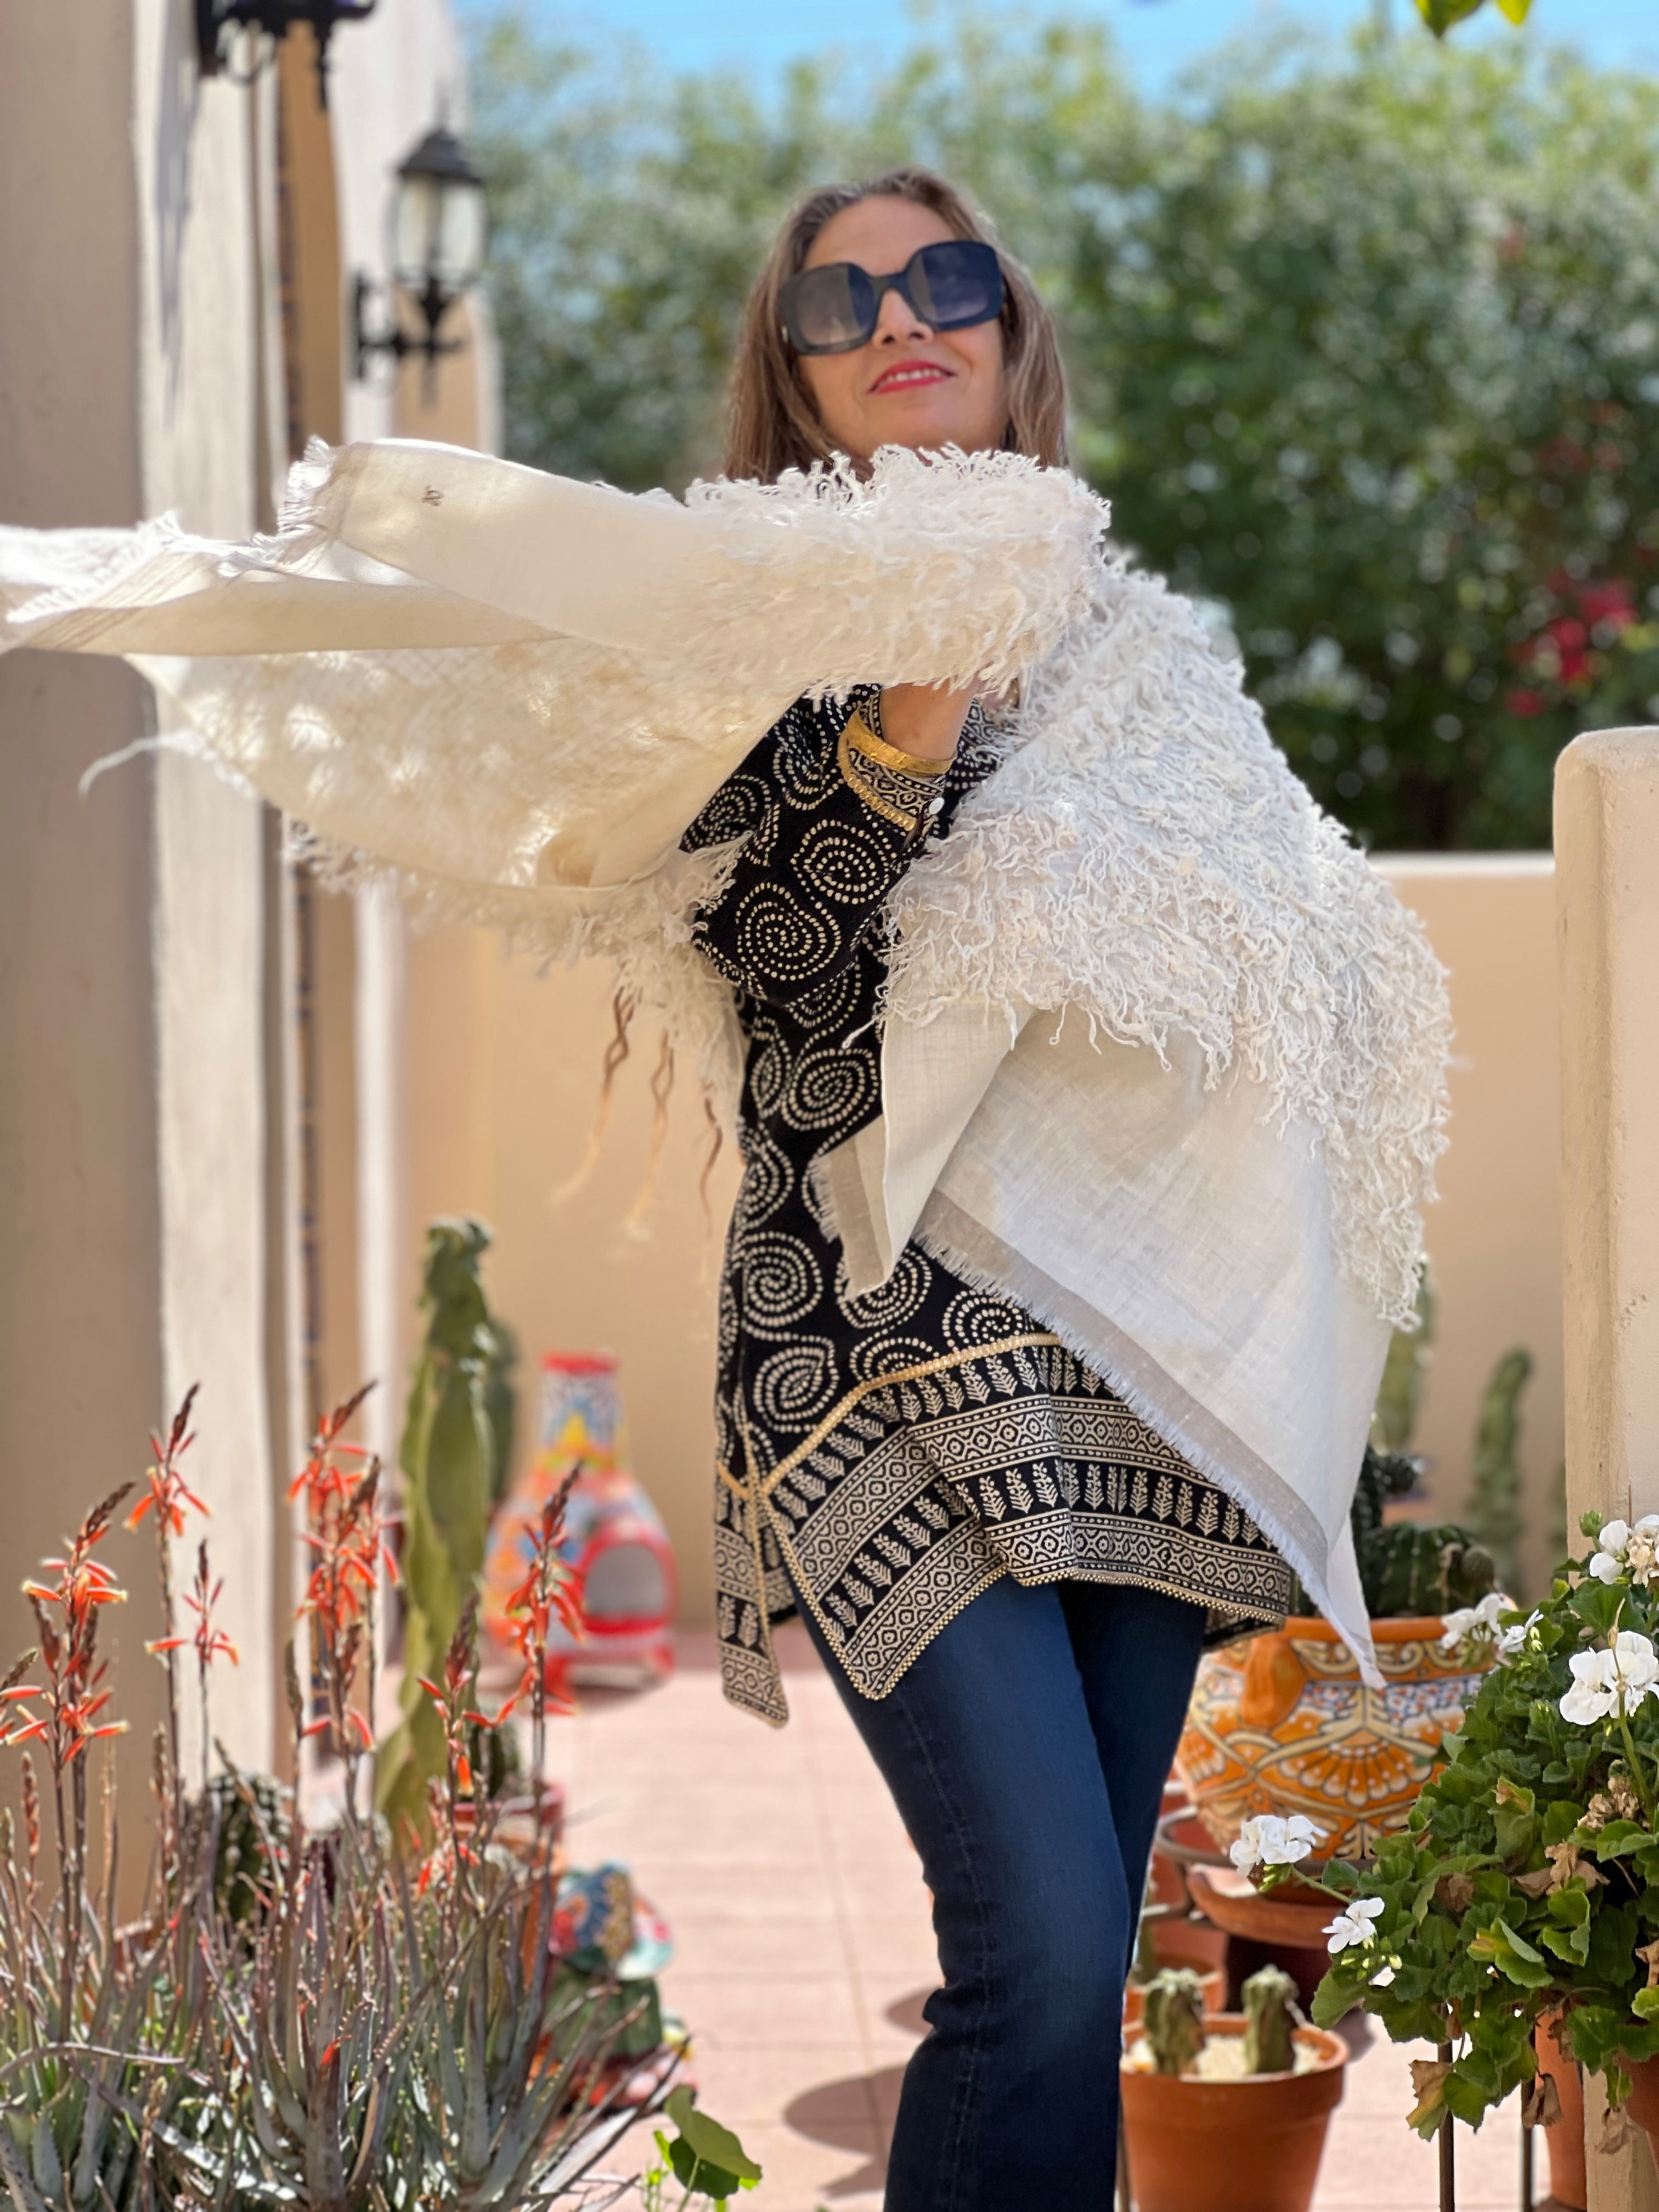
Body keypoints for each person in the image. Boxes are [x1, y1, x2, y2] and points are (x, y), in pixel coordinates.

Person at [681, 166, 1293, 2210]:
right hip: (873, 1376)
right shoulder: (751, 619)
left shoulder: (1146, 656)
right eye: (840, 301)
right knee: (1030, 1963)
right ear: (798, 376)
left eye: (948, 279)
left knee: (1082, 1966)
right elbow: (778, 970)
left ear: (1018, 334)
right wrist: (913, 685)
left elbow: (1270, 1004)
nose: (900, 318)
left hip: (1123, 1378)